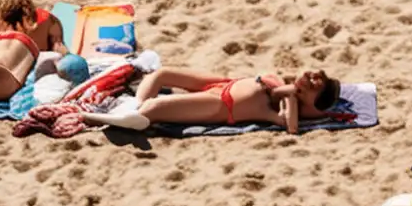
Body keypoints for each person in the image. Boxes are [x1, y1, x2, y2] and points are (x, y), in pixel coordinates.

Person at [132, 67, 340, 131]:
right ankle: (134, 108)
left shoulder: (279, 109)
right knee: (160, 75)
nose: (311, 78)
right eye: (316, 75)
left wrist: (292, 99)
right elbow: (279, 92)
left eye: (314, 84)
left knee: (154, 107)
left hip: (220, 106)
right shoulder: (285, 86)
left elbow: (291, 127)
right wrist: (292, 91)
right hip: (224, 84)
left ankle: (135, 114)